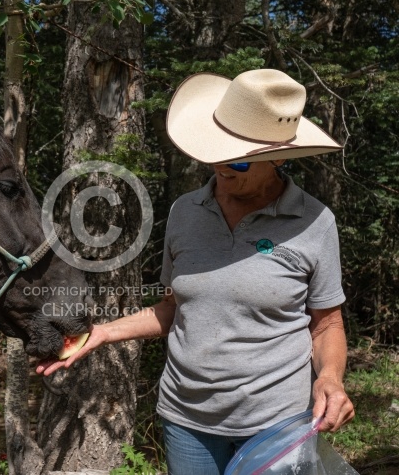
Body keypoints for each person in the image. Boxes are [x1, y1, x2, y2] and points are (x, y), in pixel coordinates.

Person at [36, 69, 355, 474]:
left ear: (277, 158)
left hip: (277, 423)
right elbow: (174, 308)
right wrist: (101, 333)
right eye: (215, 151)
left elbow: (327, 325)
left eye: (238, 160)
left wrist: (330, 378)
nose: (221, 165)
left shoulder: (314, 222)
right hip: (187, 421)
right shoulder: (185, 211)